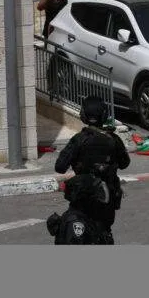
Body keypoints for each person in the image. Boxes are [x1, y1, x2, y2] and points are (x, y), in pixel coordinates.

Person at [54, 96, 130, 229]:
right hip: (106, 201)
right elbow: (125, 163)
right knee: (104, 234)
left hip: (81, 198)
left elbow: (60, 167)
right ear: (105, 115)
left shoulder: (78, 139)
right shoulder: (114, 139)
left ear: (83, 115)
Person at [46, 173, 115, 245]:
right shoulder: (75, 223)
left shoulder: (87, 215)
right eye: (97, 194)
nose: (100, 197)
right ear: (86, 198)